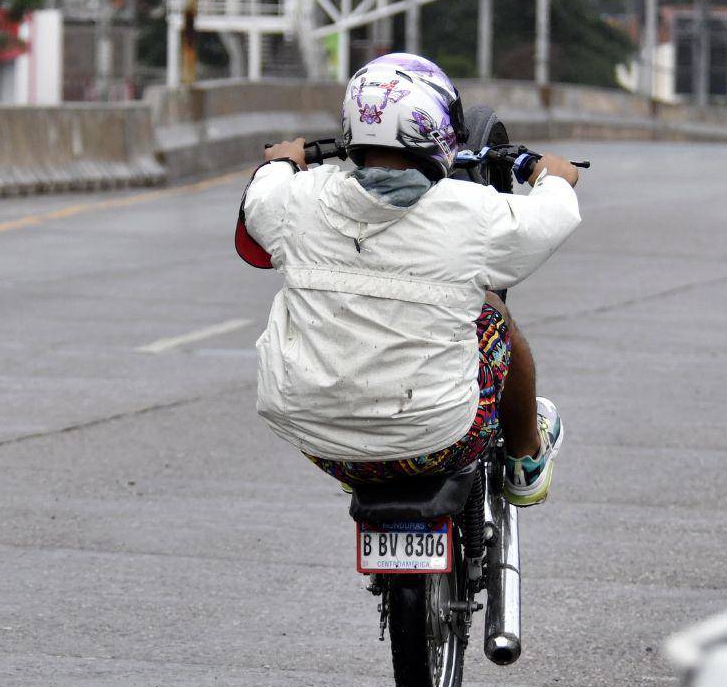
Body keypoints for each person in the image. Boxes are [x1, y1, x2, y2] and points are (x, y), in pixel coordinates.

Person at [234, 53, 581, 506]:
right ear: (436, 127)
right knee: (495, 315)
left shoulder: (296, 200)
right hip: (438, 440)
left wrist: (284, 162)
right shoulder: (471, 212)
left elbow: (261, 195)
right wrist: (554, 177)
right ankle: (525, 462)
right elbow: (553, 216)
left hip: (320, 444)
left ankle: (366, 461)